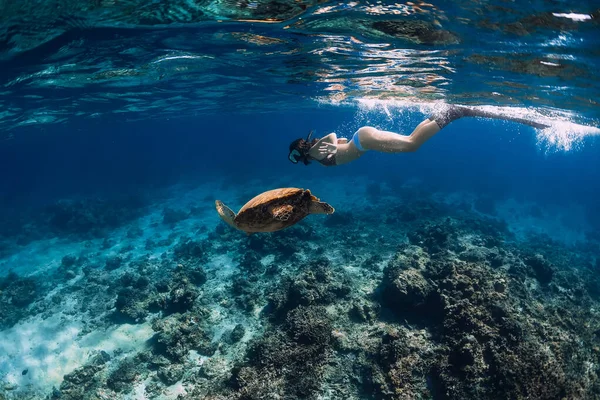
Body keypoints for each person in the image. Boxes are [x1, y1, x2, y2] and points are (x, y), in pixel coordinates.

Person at [287, 105, 550, 167]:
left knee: (412, 145)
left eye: (295, 155)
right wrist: (338, 146)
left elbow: (333, 136)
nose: (297, 159)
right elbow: (338, 142)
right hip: (363, 142)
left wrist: (325, 146)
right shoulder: (316, 154)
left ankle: (453, 113)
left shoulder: (313, 153)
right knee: (411, 139)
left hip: (363, 140)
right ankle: (439, 113)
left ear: (300, 150)